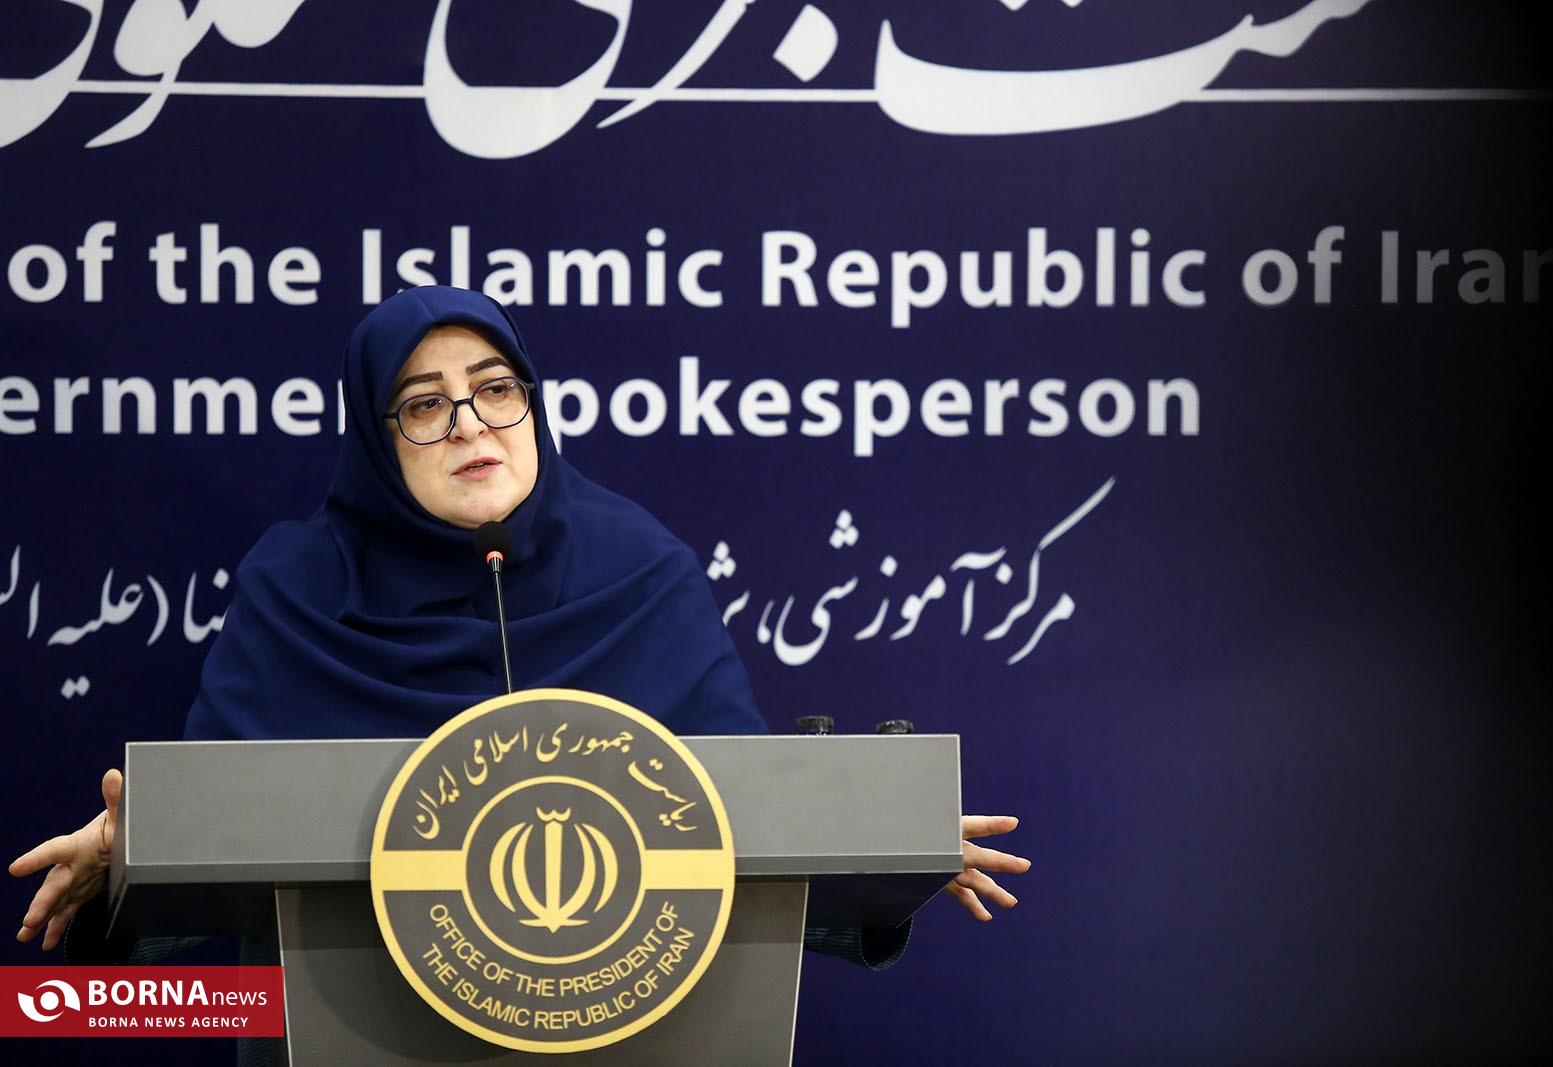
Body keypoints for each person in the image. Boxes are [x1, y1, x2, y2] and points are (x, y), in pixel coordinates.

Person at [12, 286, 1029, 961]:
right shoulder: (298, 586)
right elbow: (211, 840)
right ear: (375, 437)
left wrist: (877, 847)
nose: (470, 424)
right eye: (424, 404)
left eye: (496, 389)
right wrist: (130, 852)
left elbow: (736, 832)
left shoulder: (640, 569)